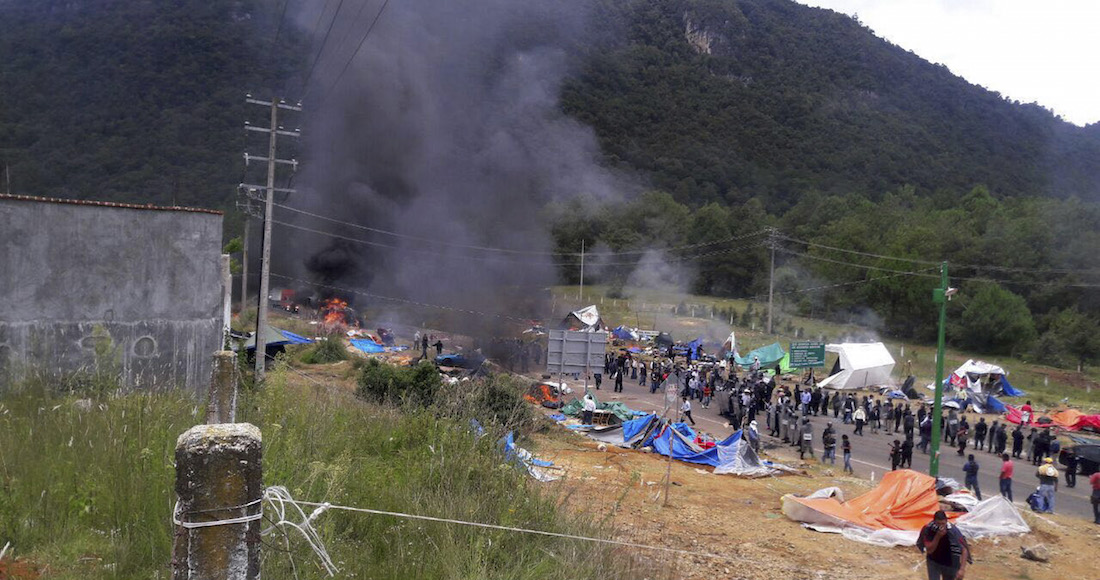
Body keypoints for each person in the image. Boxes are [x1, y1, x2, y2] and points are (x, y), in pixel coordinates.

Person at [917, 510, 970, 580]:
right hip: (934, 562)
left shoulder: (953, 532)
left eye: (943, 523)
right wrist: (938, 536)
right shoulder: (929, 529)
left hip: (950, 563)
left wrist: (962, 569)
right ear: (934, 522)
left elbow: (964, 549)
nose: (941, 526)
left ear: (946, 521)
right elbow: (929, 550)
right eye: (938, 524)